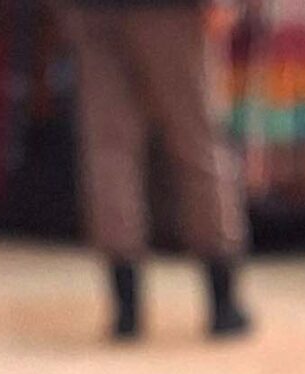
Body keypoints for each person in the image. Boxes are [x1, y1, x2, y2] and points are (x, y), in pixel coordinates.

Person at [62, 0, 252, 341]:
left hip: (94, 11)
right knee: (196, 140)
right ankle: (222, 301)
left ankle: (126, 308)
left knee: (110, 149)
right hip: (170, 11)